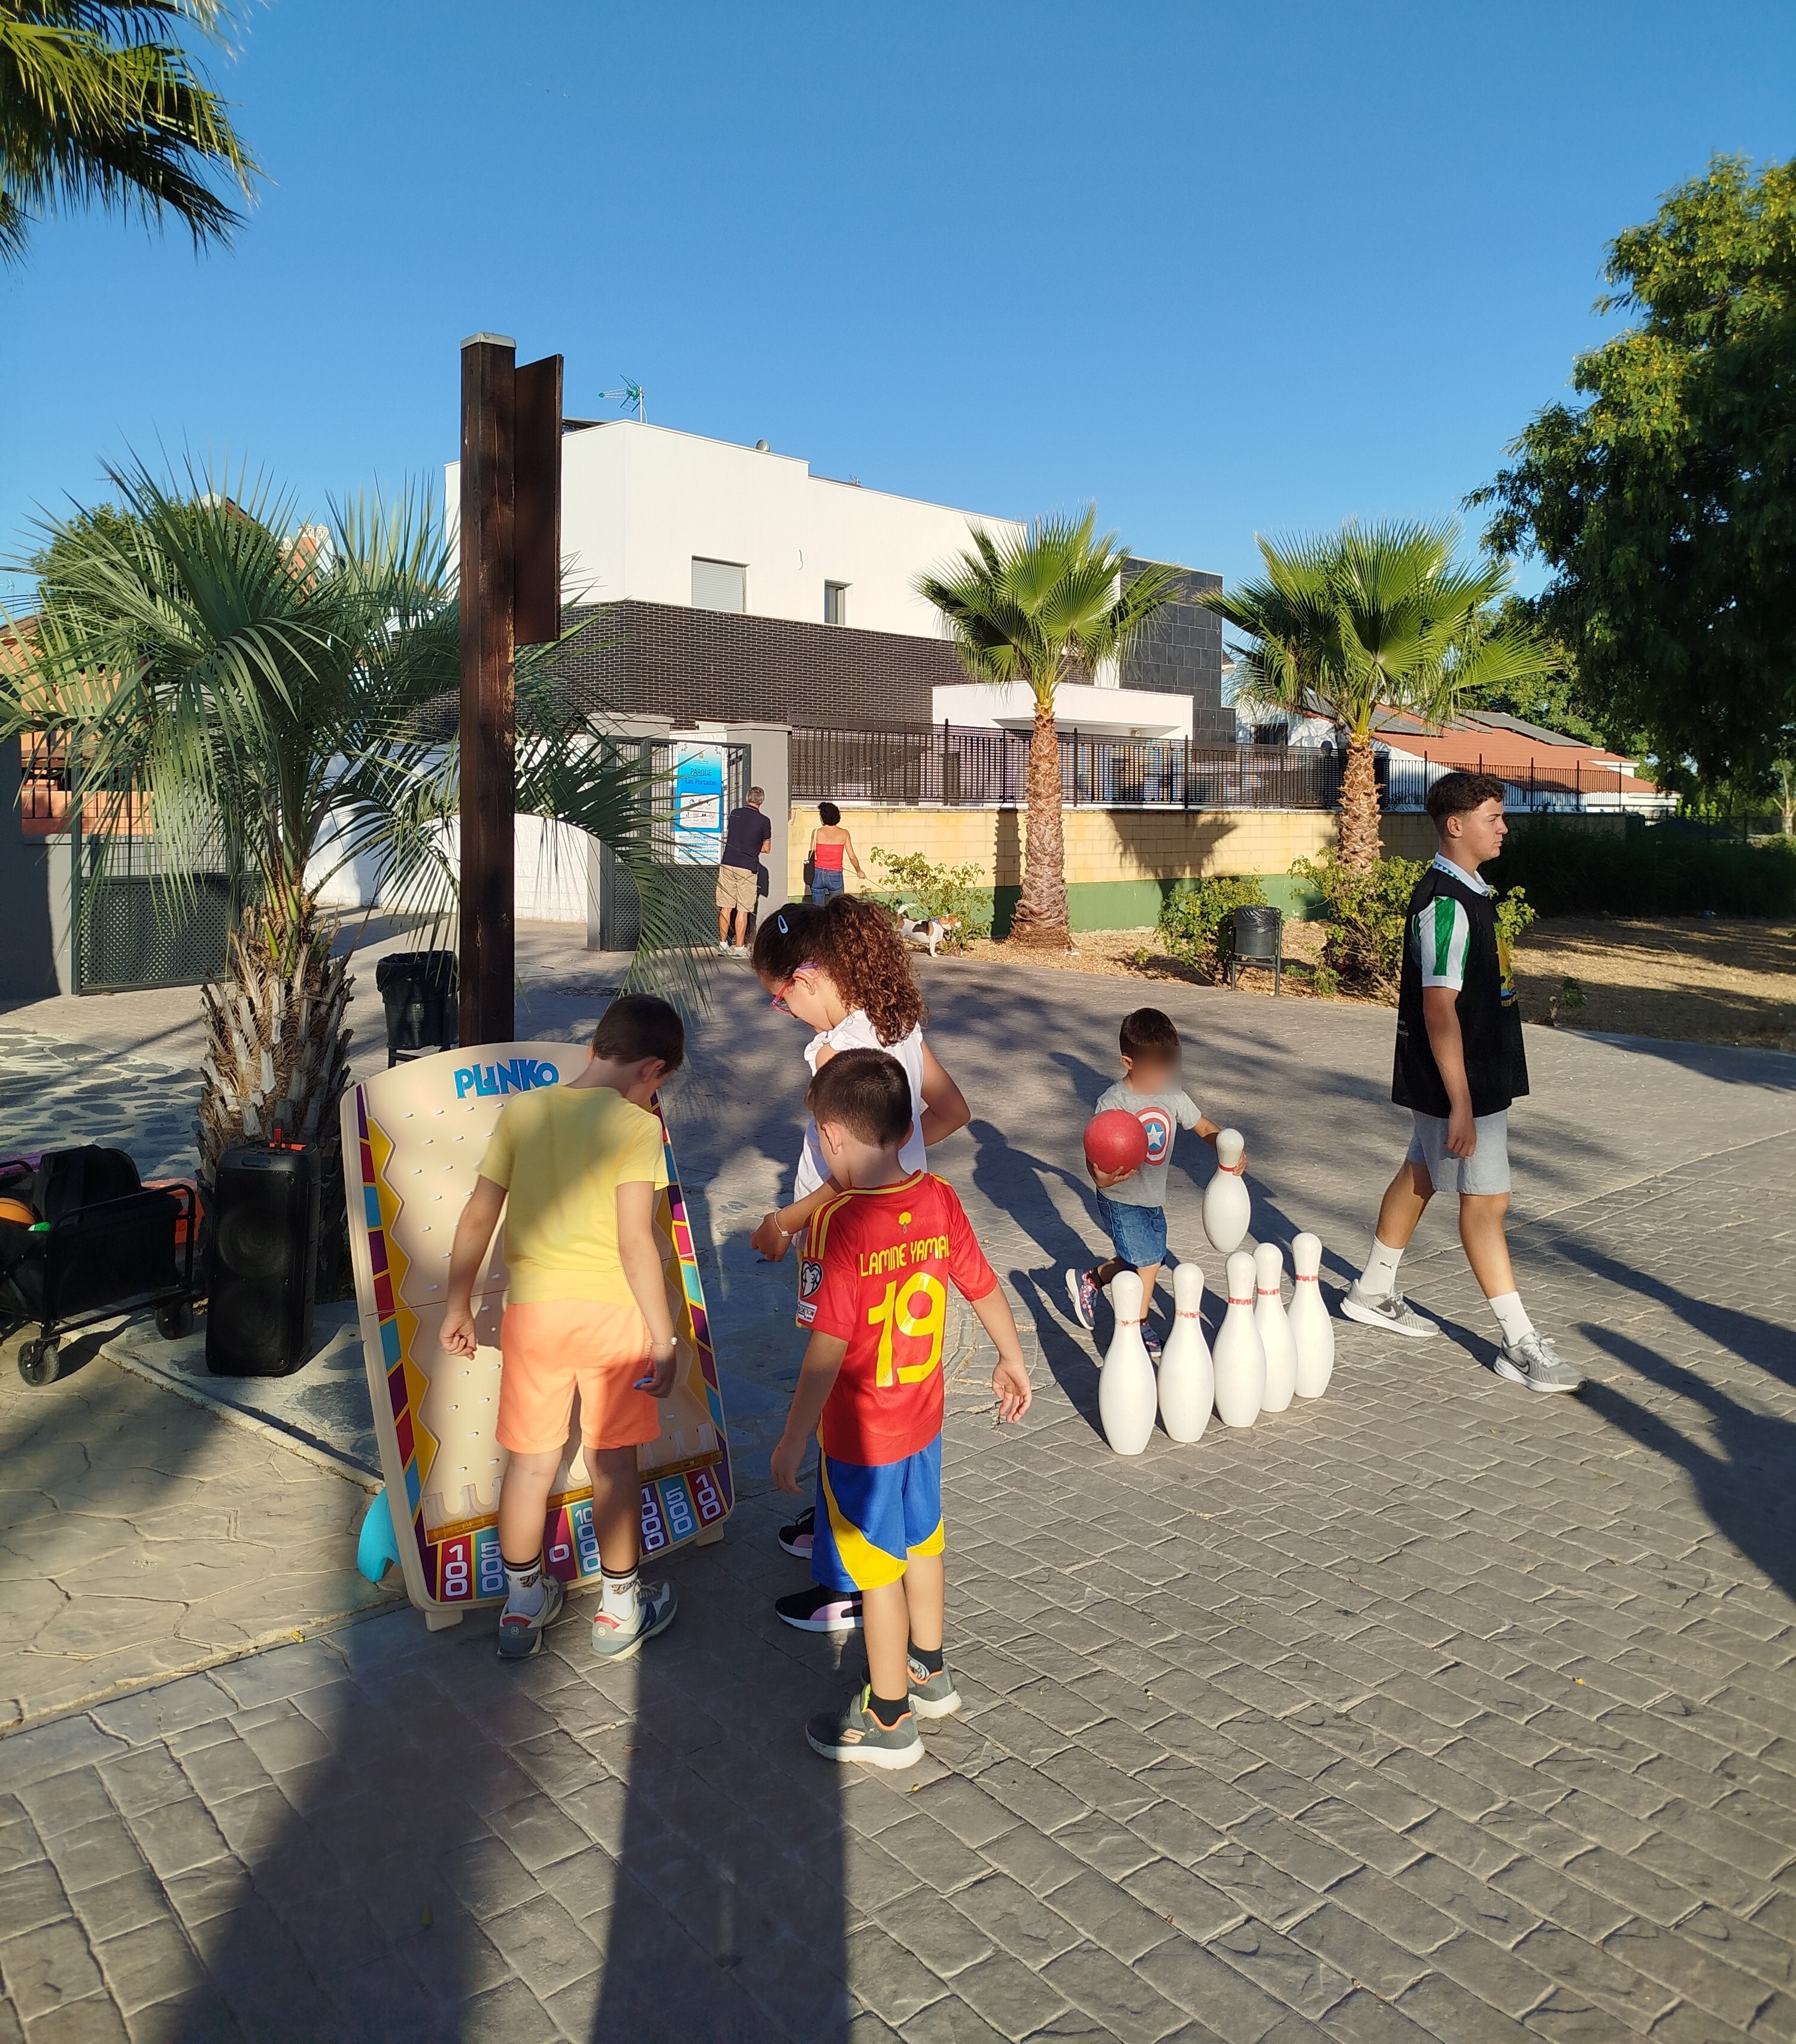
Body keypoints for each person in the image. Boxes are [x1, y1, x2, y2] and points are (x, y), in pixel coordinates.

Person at [769, 1049, 1032, 1768]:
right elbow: (981, 1284)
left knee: (877, 1570)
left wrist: (792, 1439)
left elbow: (825, 1348)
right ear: (905, 1128)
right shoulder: (940, 1197)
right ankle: (929, 1670)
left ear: (829, 1137)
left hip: (861, 1437)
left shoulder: (837, 1223)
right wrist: (1012, 1357)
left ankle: (889, 1716)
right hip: (923, 1421)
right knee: (924, 1541)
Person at [440, 994, 688, 1662]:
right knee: (612, 1462)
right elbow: (636, 1242)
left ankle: (522, 1606)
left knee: (529, 1463)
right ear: (653, 1070)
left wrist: (458, 1304)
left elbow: (478, 1215)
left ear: (593, 1050)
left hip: (534, 1315)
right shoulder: (637, 1127)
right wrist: (663, 1339)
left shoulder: (523, 1111)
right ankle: (618, 1610)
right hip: (610, 1317)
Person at [748, 895, 971, 1610]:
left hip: (841, 1236)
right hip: (903, 1234)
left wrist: (784, 1222)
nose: (786, 1013)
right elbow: (954, 1110)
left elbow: (845, 1175)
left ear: (810, 978)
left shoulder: (836, 1051)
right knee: (873, 1383)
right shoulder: (896, 1024)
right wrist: (902, 1157)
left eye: (781, 999)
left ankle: (846, 1581)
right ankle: (836, 1514)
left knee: (842, 1386)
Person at [1342, 770, 1583, 1393]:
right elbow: (1438, 1010)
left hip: (1471, 1079)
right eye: (1492, 817)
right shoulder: (1446, 905)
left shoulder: (1470, 891)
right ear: (1455, 825)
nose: (1504, 828)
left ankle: (1372, 1289)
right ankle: (1519, 1343)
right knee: (1486, 1204)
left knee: (1421, 1171)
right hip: (1462, 1085)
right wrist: (1460, 1103)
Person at [1064, 1007, 1230, 1358]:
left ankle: (1091, 1279)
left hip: (1153, 1197)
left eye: (1169, 1066)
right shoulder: (1113, 1102)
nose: (1163, 1075)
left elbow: (1202, 1126)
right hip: (1120, 1196)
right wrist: (1099, 1177)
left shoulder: (1172, 1094)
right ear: (1129, 1062)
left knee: (1142, 1258)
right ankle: (1137, 1325)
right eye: (1155, 1068)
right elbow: (1096, 1147)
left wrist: (1227, 1149)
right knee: (1148, 1262)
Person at [717, 784, 772, 956]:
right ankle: (739, 948)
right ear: (762, 802)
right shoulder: (764, 821)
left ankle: (723, 944)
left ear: (747, 798)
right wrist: (754, 846)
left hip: (728, 863)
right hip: (747, 867)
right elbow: (767, 849)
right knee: (743, 909)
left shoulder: (734, 814)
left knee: (726, 907)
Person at [807, 801, 864, 904]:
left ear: (823, 817)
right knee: (838, 907)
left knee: (817, 909)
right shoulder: (844, 833)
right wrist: (859, 871)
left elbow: (813, 856)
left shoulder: (816, 833)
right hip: (835, 874)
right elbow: (852, 857)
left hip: (818, 874)